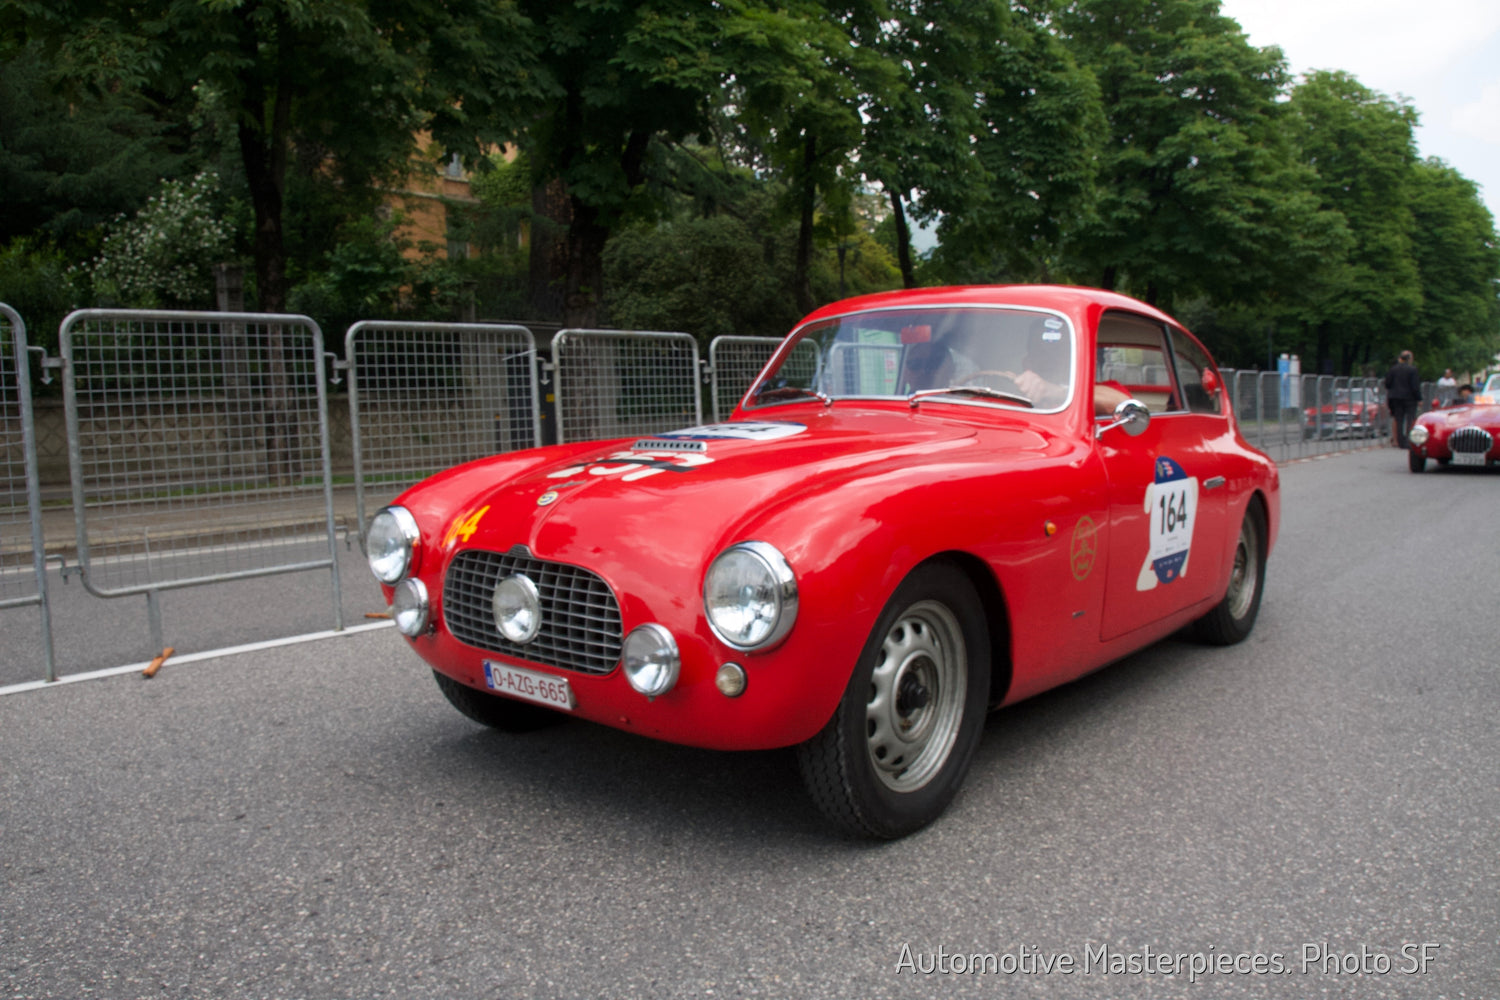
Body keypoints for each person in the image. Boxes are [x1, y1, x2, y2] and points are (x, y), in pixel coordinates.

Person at [1383, 350, 1422, 448]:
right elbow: (1415, 386)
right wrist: (1419, 398)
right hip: (1409, 398)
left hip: (1395, 397)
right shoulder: (1412, 370)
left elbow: (1387, 384)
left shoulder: (1393, 369)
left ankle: (1400, 441)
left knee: (1398, 419)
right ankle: (1409, 441)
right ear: (1409, 359)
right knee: (1410, 418)